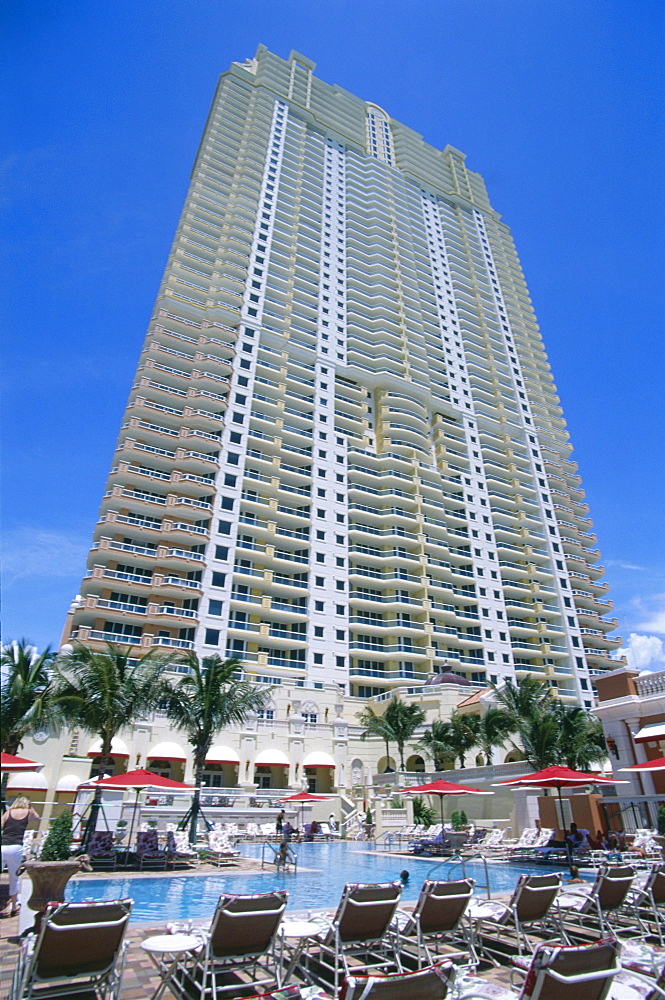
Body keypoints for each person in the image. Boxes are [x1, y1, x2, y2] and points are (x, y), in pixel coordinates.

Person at [1, 796, 40, 917]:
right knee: (14, 877)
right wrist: (31, 807)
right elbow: (37, 818)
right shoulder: (28, 812)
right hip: (16, 848)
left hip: (3, 846)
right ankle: (13, 907)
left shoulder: (8, 812)